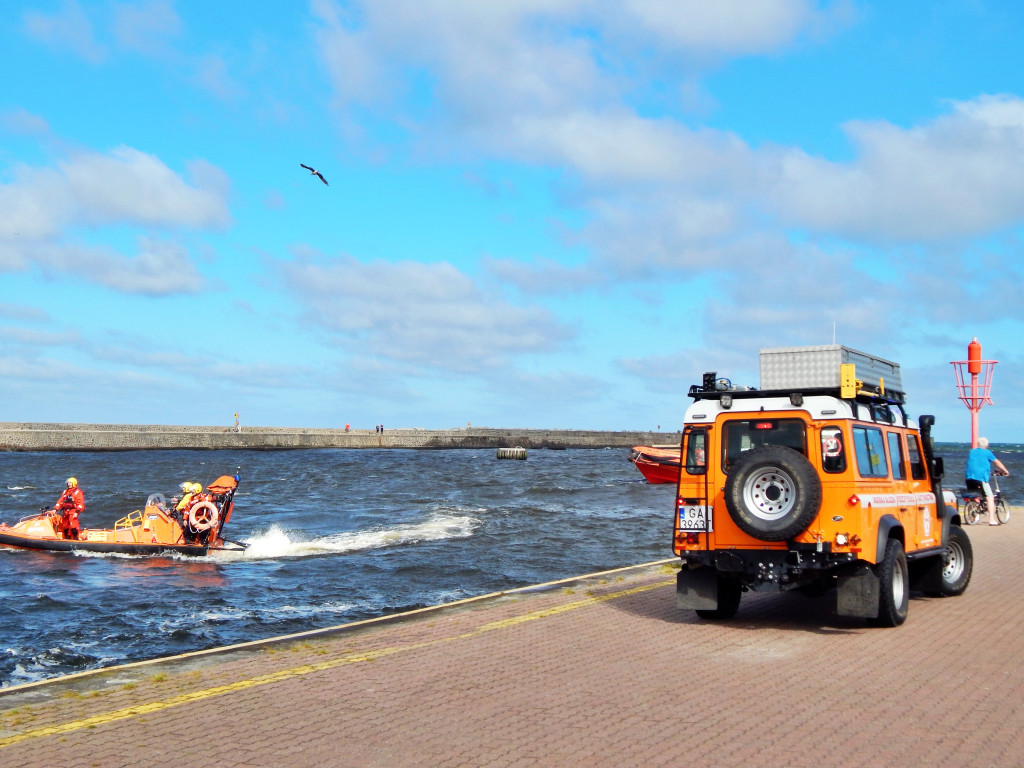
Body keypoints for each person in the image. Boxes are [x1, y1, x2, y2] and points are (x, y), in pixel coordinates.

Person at [965, 437, 1009, 525]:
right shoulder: (987, 452)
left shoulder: (972, 452)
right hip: (980, 478)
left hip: (969, 477)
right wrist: (1005, 471)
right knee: (989, 497)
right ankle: (992, 520)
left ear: (978, 444)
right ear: (987, 445)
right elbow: (997, 462)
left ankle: (972, 517)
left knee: (972, 496)